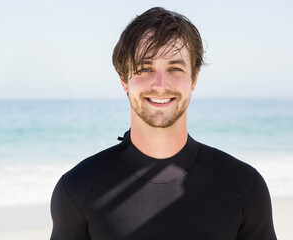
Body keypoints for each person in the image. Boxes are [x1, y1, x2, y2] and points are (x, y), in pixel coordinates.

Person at [50, 7, 276, 240]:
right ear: (124, 79)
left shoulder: (244, 187)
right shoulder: (78, 190)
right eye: (145, 68)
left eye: (174, 68)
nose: (160, 84)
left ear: (194, 78)